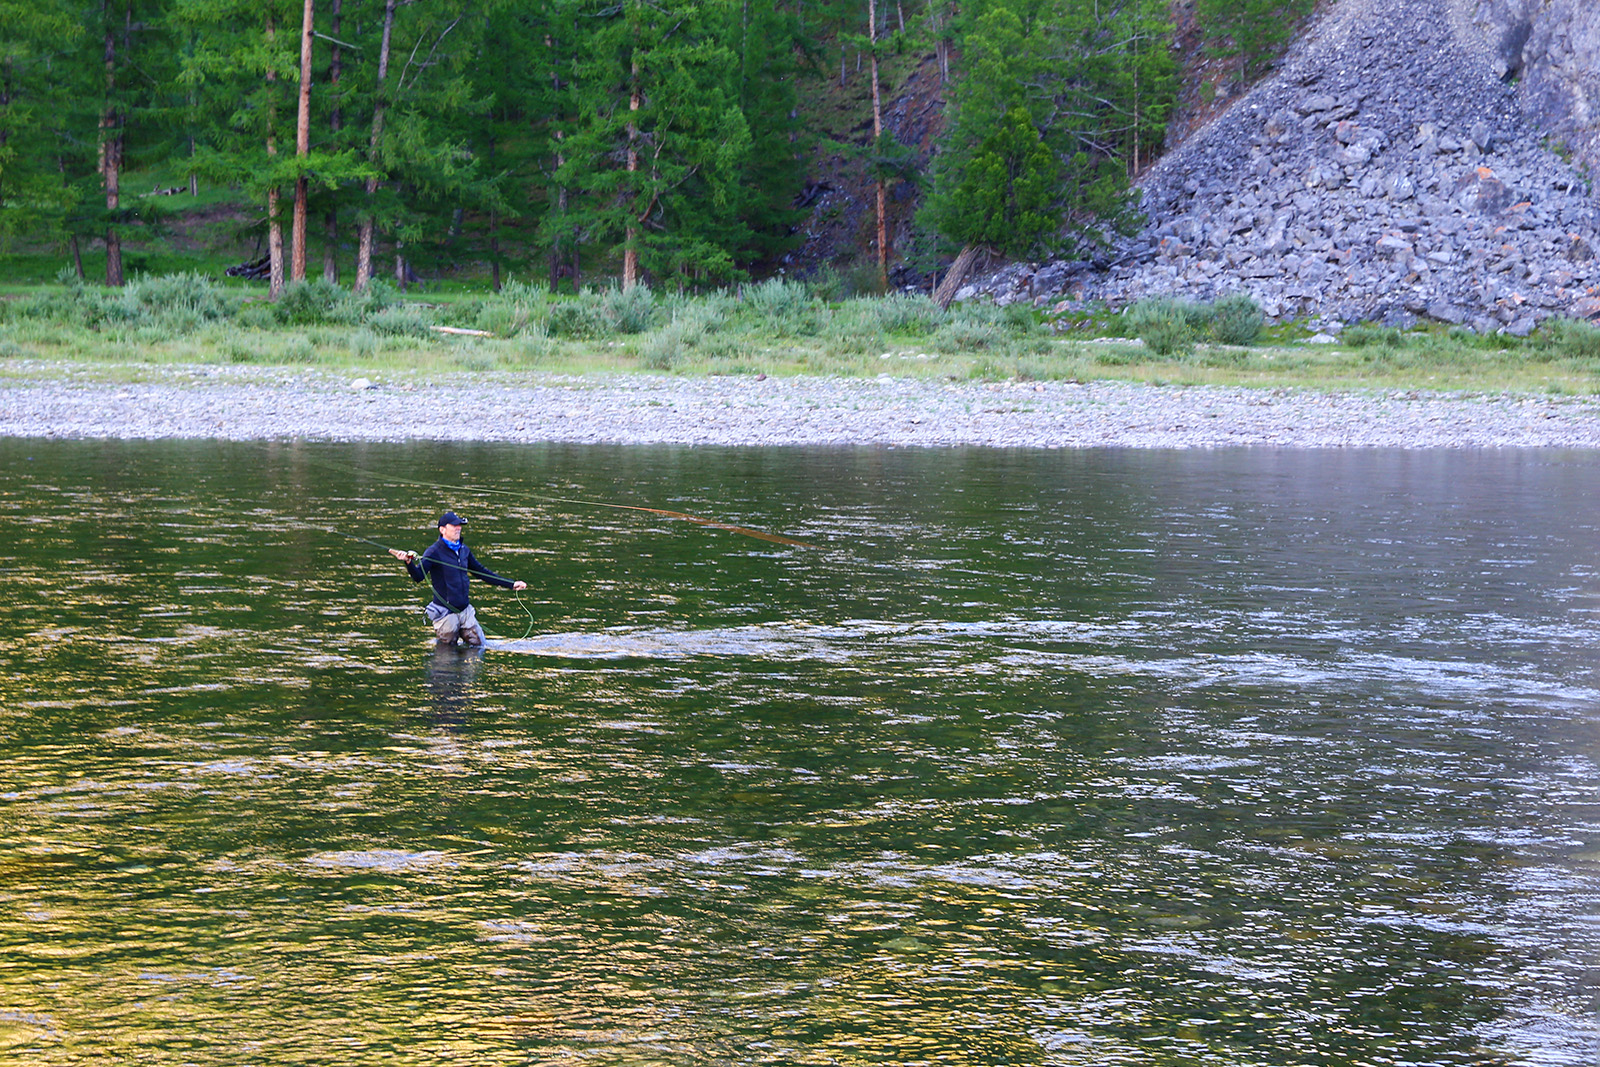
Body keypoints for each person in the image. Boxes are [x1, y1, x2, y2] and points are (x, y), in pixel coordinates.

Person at [389, 511, 527, 647]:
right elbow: (418, 576)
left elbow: (482, 572)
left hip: (465, 612)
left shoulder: (464, 550)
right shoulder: (434, 551)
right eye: (454, 525)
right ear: (442, 529)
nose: (458, 528)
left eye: (459, 525)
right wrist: (408, 563)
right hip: (445, 614)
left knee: (478, 647)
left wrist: (511, 584)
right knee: (447, 656)